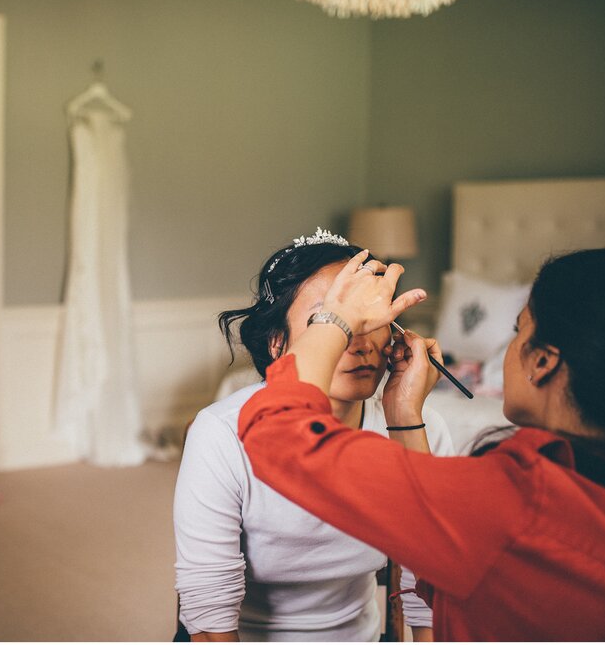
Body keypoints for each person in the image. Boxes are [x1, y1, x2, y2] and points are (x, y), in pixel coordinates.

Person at [238, 247, 605, 641]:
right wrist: (405, 415)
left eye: (517, 331)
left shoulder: (513, 500)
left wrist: (334, 319)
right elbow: (441, 554)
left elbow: (277, 433)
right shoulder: (601, 481)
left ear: (543, 362)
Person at [173, 229, 454, 641]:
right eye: (334, 321)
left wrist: (404, 418)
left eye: (369, 318)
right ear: (276, 343)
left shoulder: (415, 426)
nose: (359, 343)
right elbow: (209, 610)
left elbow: (430, 584)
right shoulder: (220, 434)